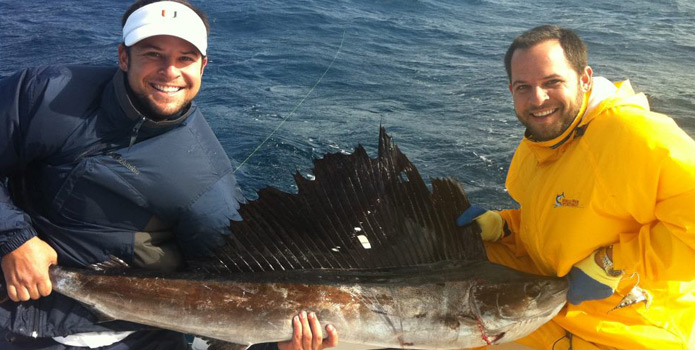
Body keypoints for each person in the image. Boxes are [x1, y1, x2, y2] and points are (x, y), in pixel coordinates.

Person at [0, 1, 339, 349]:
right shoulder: (43, 93)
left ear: (203, 66)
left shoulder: (207, 182)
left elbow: (236, 290)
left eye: (185, 59)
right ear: (123, 57)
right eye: (153, 54)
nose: (170, 71)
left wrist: (279, 344)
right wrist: (14, 239)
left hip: (112, 335)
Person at [457, 25, 695, 349]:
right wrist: (506, 227)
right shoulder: (544, 140)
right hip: (560, 302)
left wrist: (612, 263)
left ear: (584, 79)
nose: (538, 99)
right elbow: (565, 217)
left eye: (552, 82)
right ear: (510, 89)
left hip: (626, 329)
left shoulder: (635, 135)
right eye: (523, 87)